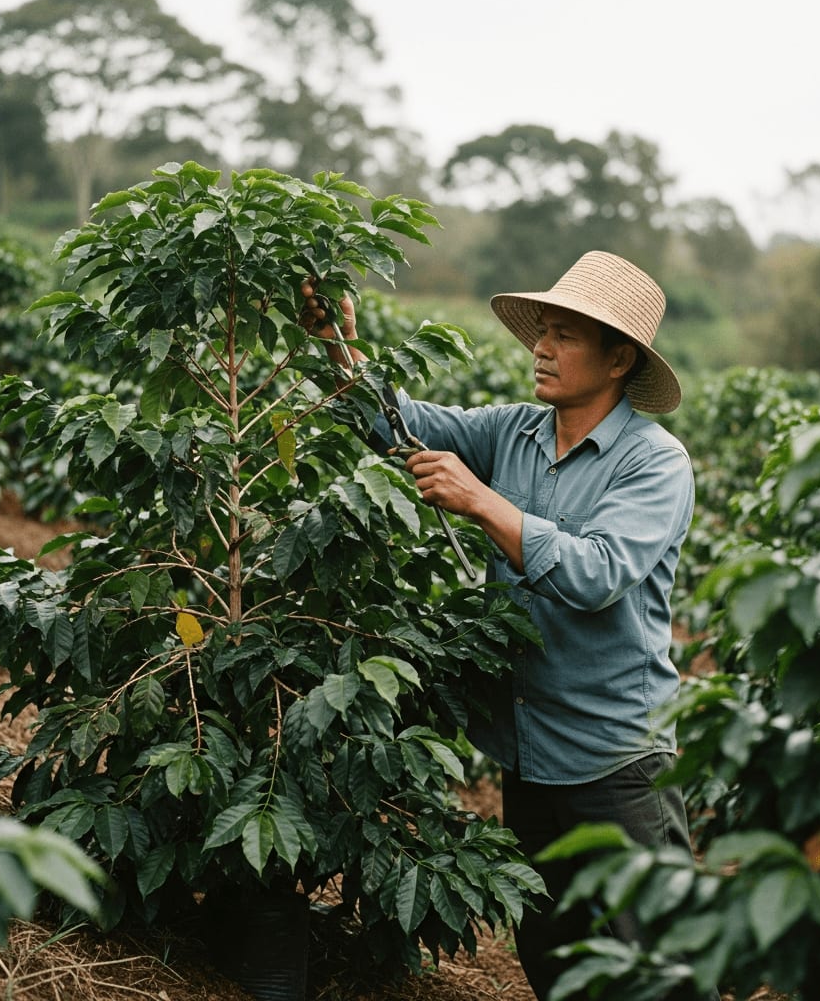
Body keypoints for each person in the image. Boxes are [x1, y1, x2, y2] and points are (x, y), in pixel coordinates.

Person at [303, 251, 716, 1001]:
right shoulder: (514, 432)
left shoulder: (655, 464)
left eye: (565, 336)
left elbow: (596, 575)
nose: (542, 349)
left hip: (617, 761)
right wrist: (339, 345)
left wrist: (482, 501)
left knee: (655, 965)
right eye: (542, 332)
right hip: (530, 752)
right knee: (553, 956)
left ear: (619, 359)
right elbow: (399, 426)